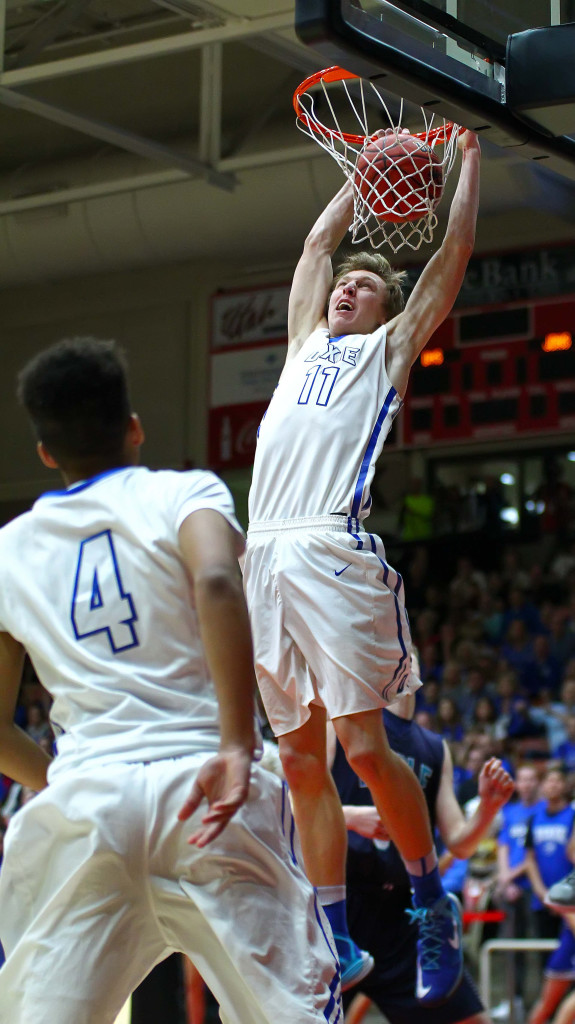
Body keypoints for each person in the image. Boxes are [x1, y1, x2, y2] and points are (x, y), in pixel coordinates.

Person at [0, 338, 342, 1024]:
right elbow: (217, 577)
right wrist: (239, 745)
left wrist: (64, 782)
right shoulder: (185, 490)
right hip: (205, 784)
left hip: (88, 799)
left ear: (45, 452)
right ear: (134, 426)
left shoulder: (9, 548)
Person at [243, 129, 481, 1004]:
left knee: (364, 748)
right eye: (348, 280)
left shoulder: (382, 354)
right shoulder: (303, 340)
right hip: (260, 551)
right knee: (301, 763)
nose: (349, 284)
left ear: (383, 311)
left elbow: (448, 259)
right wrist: (360, 174)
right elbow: (314, 246)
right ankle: (336, 937)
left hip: (328, 545)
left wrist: (465, 169)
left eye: (367, 285)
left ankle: (428, 901)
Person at [328, 690, 514, 1024]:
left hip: (404, 911)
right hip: (341, 905)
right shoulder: (342, 723)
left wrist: (487, 810)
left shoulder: (433, 745)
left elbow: (459, 844)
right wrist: (351, 816)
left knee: (471, 1020)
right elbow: (296, 803)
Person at [524, 767, 575, 1024]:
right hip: (553, 904)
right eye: (549, 780)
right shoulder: (534, 818)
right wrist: (546, 894)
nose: (553, 785)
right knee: (549, 1001)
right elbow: (529, 859)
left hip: (566, 907)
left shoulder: (572, 814)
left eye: (558, 780)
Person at [494, 763, 542, 1019]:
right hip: (511, 891)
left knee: (538, 950)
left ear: (538, 783)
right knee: (512, 949)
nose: (526, 784)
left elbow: (533, 855)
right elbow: (503, 847)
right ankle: (514, 1000)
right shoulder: (510, 811)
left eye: (531, 779)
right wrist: (504, 879)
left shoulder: (545, 810)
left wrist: (510, 876)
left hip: (534, 888)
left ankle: (543, 1001)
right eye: (522, 779)